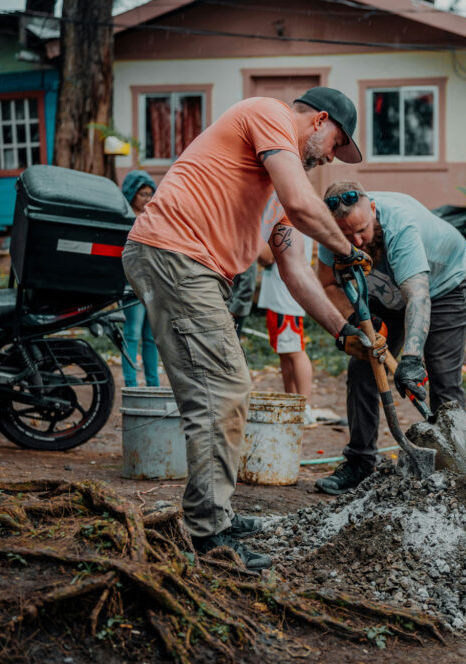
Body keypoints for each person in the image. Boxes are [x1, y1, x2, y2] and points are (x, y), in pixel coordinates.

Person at [122, 88, 378, 570]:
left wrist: (342, 330)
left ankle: (212, 514)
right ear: (319, 121)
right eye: (334, 144)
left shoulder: (278, 193)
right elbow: (305, 207)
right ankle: (209, 533)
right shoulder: (268, 113)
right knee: (223, 391)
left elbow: (296, 271)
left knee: (222, 392)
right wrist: (346, 249)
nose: (327, 159)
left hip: (194, 268)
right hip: (176, 255)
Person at [314, 181, 466, 495]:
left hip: (443, 288)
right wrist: (355, 322)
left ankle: (460, 467)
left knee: (441, 376)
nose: (357, 241)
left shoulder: (401, 226)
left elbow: (418, 298)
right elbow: (328, 283)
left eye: (362, 230)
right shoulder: (330, 232)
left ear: (372, 209)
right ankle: (359, 462)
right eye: (347, 236)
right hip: (385, 293)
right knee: (362, 367)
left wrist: (411, 360)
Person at [255, 193, 320, 426]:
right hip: (281, 295)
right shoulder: (294, 212)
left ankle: (305, 406)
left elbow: (264, 257)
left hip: (285, 296)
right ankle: (291, 402)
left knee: (294, 350)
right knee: (286, 351)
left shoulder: (283, 214)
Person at [120, 170, 160, 388]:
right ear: (132, 194)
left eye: (150, 194)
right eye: (143, 194)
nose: (147, 198)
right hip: (132, 287)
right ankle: (131, 384)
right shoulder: (125, 219)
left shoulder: (154, 219)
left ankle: (153, 386)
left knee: (152, 338)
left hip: (154, 286)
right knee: (132, 334)